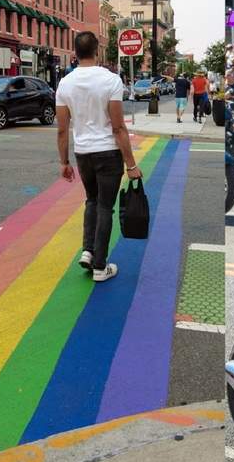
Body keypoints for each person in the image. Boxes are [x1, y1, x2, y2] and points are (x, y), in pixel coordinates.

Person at [55, 32, 143, 282]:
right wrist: (131, 164)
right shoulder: (111, 80)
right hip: (107, 153)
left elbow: (62, 130)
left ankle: (88, 251)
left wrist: (64, 162)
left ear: (75, 53)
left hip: (83, 154)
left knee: (91, 201)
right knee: (105, 207)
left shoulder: (65, 83)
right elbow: (118, 127)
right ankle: (100, 267)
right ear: (97, 52)